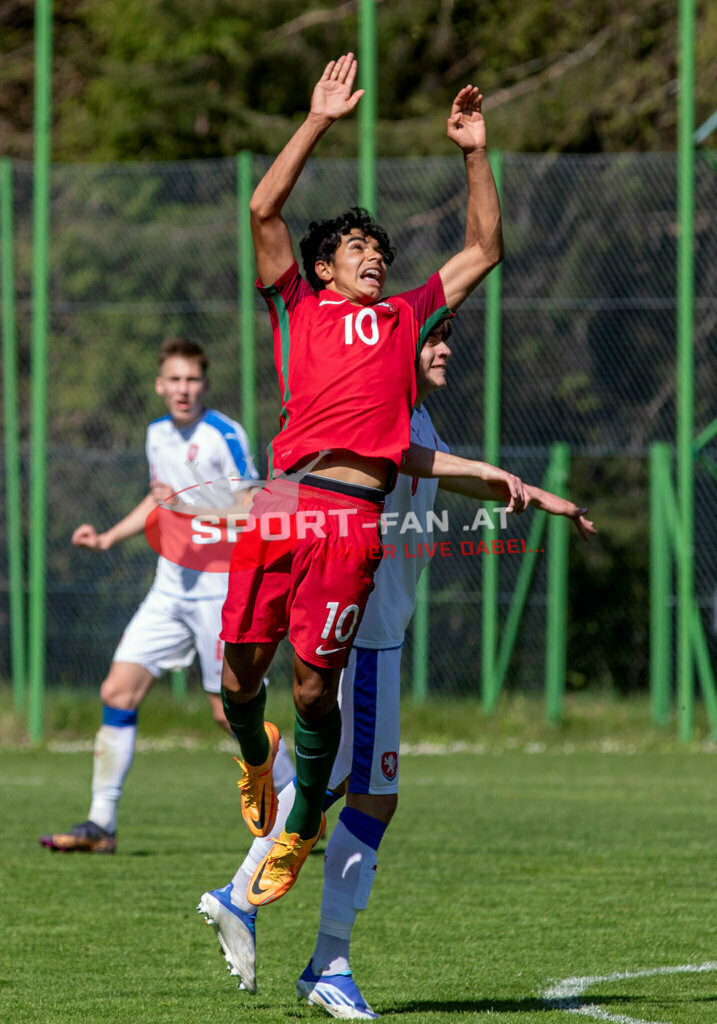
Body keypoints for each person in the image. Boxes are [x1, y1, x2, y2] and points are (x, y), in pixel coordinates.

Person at [198, 319, 596, 1011]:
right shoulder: (366, 417)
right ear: (390, 353)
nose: (445, 349)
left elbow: (439, 469)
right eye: (432, 339)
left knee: (353, 793)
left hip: (374, 634)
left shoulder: (414, 417)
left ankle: (288, 933)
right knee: (365, 797)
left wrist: (527, 493)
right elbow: (353, 472)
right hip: (362, 638)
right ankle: (274, 924)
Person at [219, 52, 511, 908]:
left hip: (351, 516)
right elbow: (263, 206)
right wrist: (317, 120)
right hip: (283, 502)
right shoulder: (295, 307)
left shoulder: (404, 316)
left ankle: (303, 816)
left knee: (315, 683)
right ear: (322, 269)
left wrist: (472, 149)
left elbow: (485, 248)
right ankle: (253, 756)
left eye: (379, 249)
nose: (374, 258)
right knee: (239, 678)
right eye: (356, 248)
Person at [39, 337, 295, 853]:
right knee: (117, 691)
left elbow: (254, 509)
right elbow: (160, 500)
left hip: (222, 589)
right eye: (174, 380)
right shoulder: (157, 434)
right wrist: (109, 536)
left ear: (204, 384)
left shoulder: (225, 434)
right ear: (159, 385)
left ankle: (298, 808)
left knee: (230, 713)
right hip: (169, 587)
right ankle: (101, 824)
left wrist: (200, 518)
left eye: (192, 380)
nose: (183, 389)